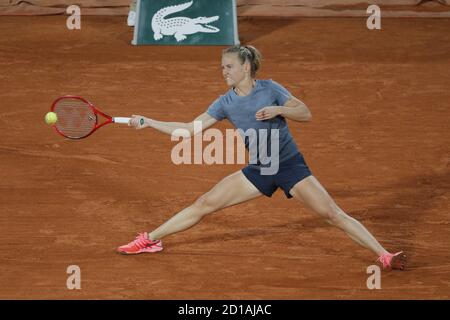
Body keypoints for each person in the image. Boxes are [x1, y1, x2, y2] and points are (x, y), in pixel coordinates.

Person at [118, 45, 407, 271]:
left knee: (332, 214)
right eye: (222, 67)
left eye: (229, 66)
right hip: (260, 168)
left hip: (290, 165)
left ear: (246, 67)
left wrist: (279, 110)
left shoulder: (271, 89)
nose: (224, 72)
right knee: (204, 203)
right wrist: (148, 121)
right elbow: (188, 129)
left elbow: (305, 113)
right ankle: (150, 239)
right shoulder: (224, 102)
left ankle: (384, 255)